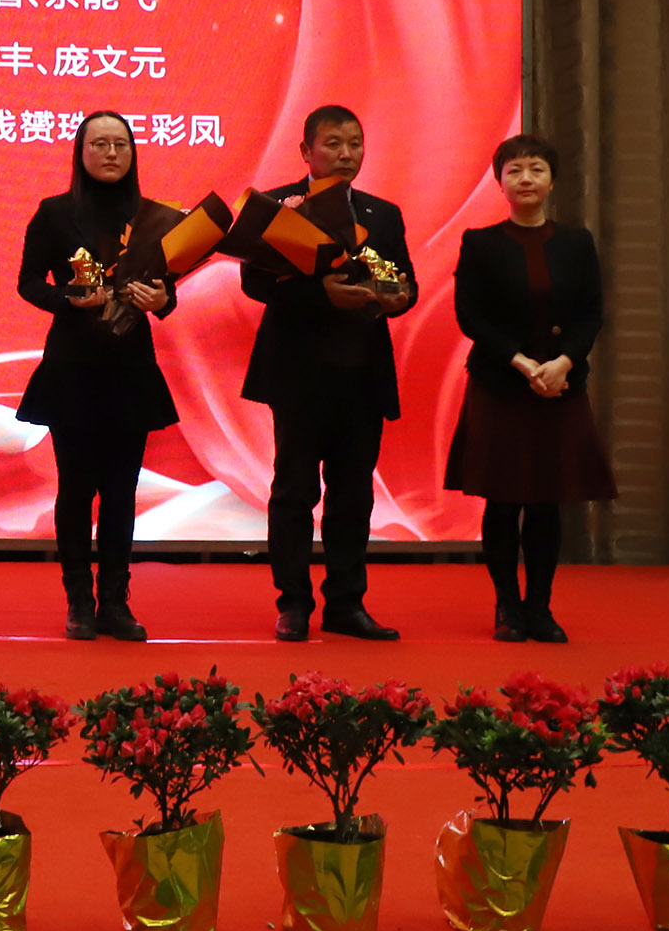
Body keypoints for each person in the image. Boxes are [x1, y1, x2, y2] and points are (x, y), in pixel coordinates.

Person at [239, 104, 417, 643]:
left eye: (354, 144)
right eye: (333, 143)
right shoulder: (280, 208)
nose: (345, 154)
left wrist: (398, 298)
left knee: (353, 495)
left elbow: (406, 283)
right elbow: (254, 283)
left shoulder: (382, 214)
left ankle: (346, 603)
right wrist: (322, 294)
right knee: (294, 491)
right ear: (306, 151)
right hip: (299, 374)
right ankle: (293, 603)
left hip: (361, 374)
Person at [445, 133, 616, 643]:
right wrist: (523, 364)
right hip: (501, 384)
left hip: (560, 386)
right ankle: (507, 607)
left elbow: (591, 314)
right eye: (514, 170)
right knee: (502, 500)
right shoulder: (480, 242)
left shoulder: (576, 242)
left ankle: (540, 607)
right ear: (500, 182)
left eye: (536, 169)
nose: (525, 179)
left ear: (552, 181)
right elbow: (470, 316)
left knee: (546, 500)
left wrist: (563, 363)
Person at [14, 111, 177, 641]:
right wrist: (69, 298)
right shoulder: (55, 213)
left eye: (120, 144)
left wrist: (160, 299)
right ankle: (79, 602)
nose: (111, 153)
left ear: (133, 153)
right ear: (81, 152)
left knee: (122, 492)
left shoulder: (154, 218)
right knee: (76, 489)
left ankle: (115, 603)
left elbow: (169, 295)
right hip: (74, 369)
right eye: (99, 143)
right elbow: (27, 283)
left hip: (130, 368)